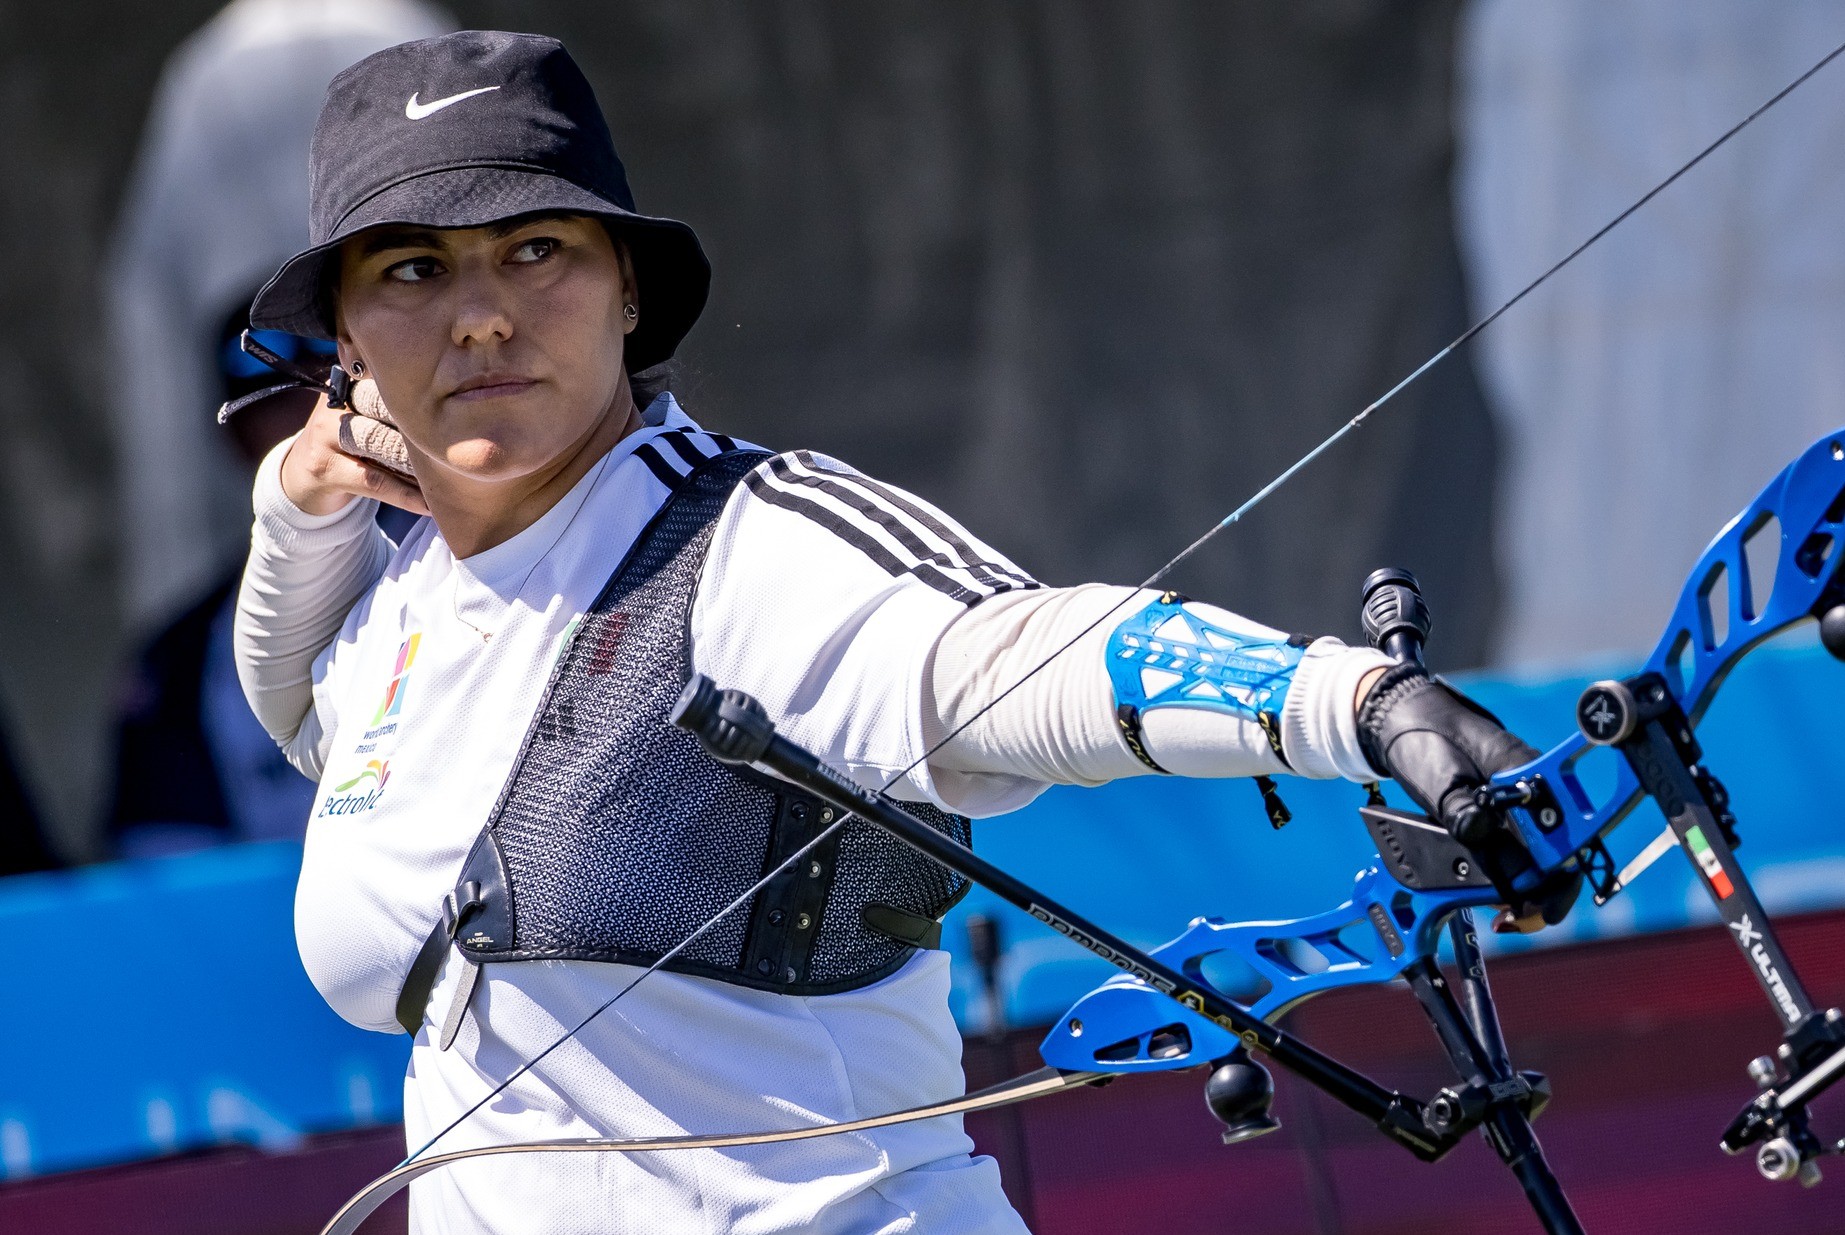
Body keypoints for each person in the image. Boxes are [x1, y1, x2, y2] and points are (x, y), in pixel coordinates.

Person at [236, 31, 1561, 1234]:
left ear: (627, 288)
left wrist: (1348, 702)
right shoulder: (395, 613)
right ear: (344, 337)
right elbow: (297, 705)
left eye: (536, 250)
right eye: (413, 268)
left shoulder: (754, 540)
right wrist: (296, 509)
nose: (480, 311)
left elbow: (1017, 659)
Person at [101, 0, 450, 857]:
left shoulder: (553, 562)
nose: (323, 392)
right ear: (220, 423)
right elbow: (165, 912)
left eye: (347, 345)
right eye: (263, 357)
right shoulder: (182, 667)